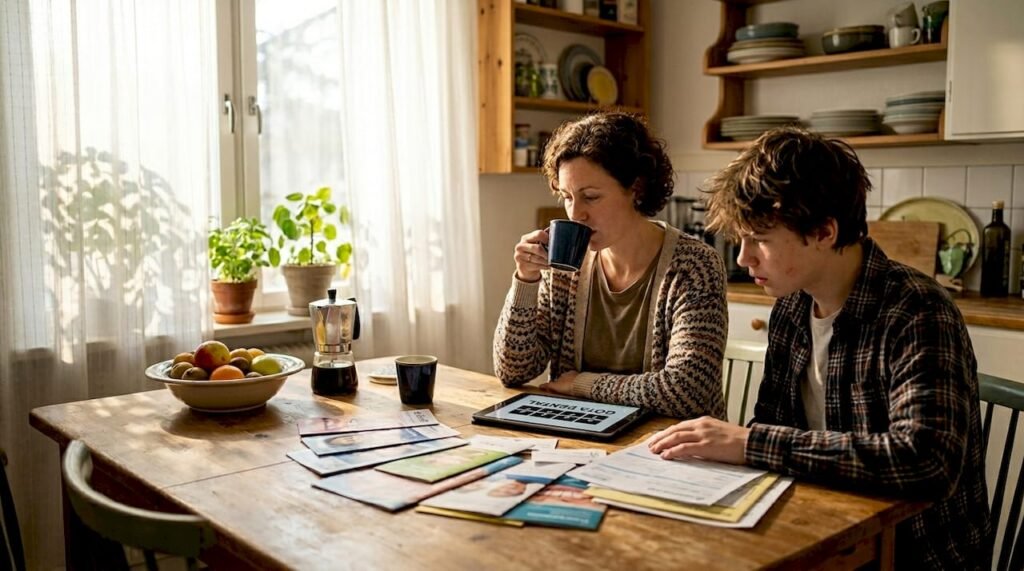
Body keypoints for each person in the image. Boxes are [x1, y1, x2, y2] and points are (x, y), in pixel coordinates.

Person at [648, 127, 992, 568]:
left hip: (913, 555)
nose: (743, 258)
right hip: (819, 525)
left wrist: (751, 444)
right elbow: (774, 424)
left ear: (825, 231)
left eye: (762, 240)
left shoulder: (918, 311)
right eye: (742, 239)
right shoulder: (792, 305)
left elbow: (925, 462)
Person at [493, 111, 728, 418]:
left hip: (671, 448)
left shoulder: (692, 266)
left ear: (637, 189)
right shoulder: (566, 267)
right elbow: (513, 370)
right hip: (580, 437)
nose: (576, 214)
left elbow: (687, 391)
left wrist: (582, 384)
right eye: (567, 197)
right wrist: (525, 281)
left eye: (591, 197)